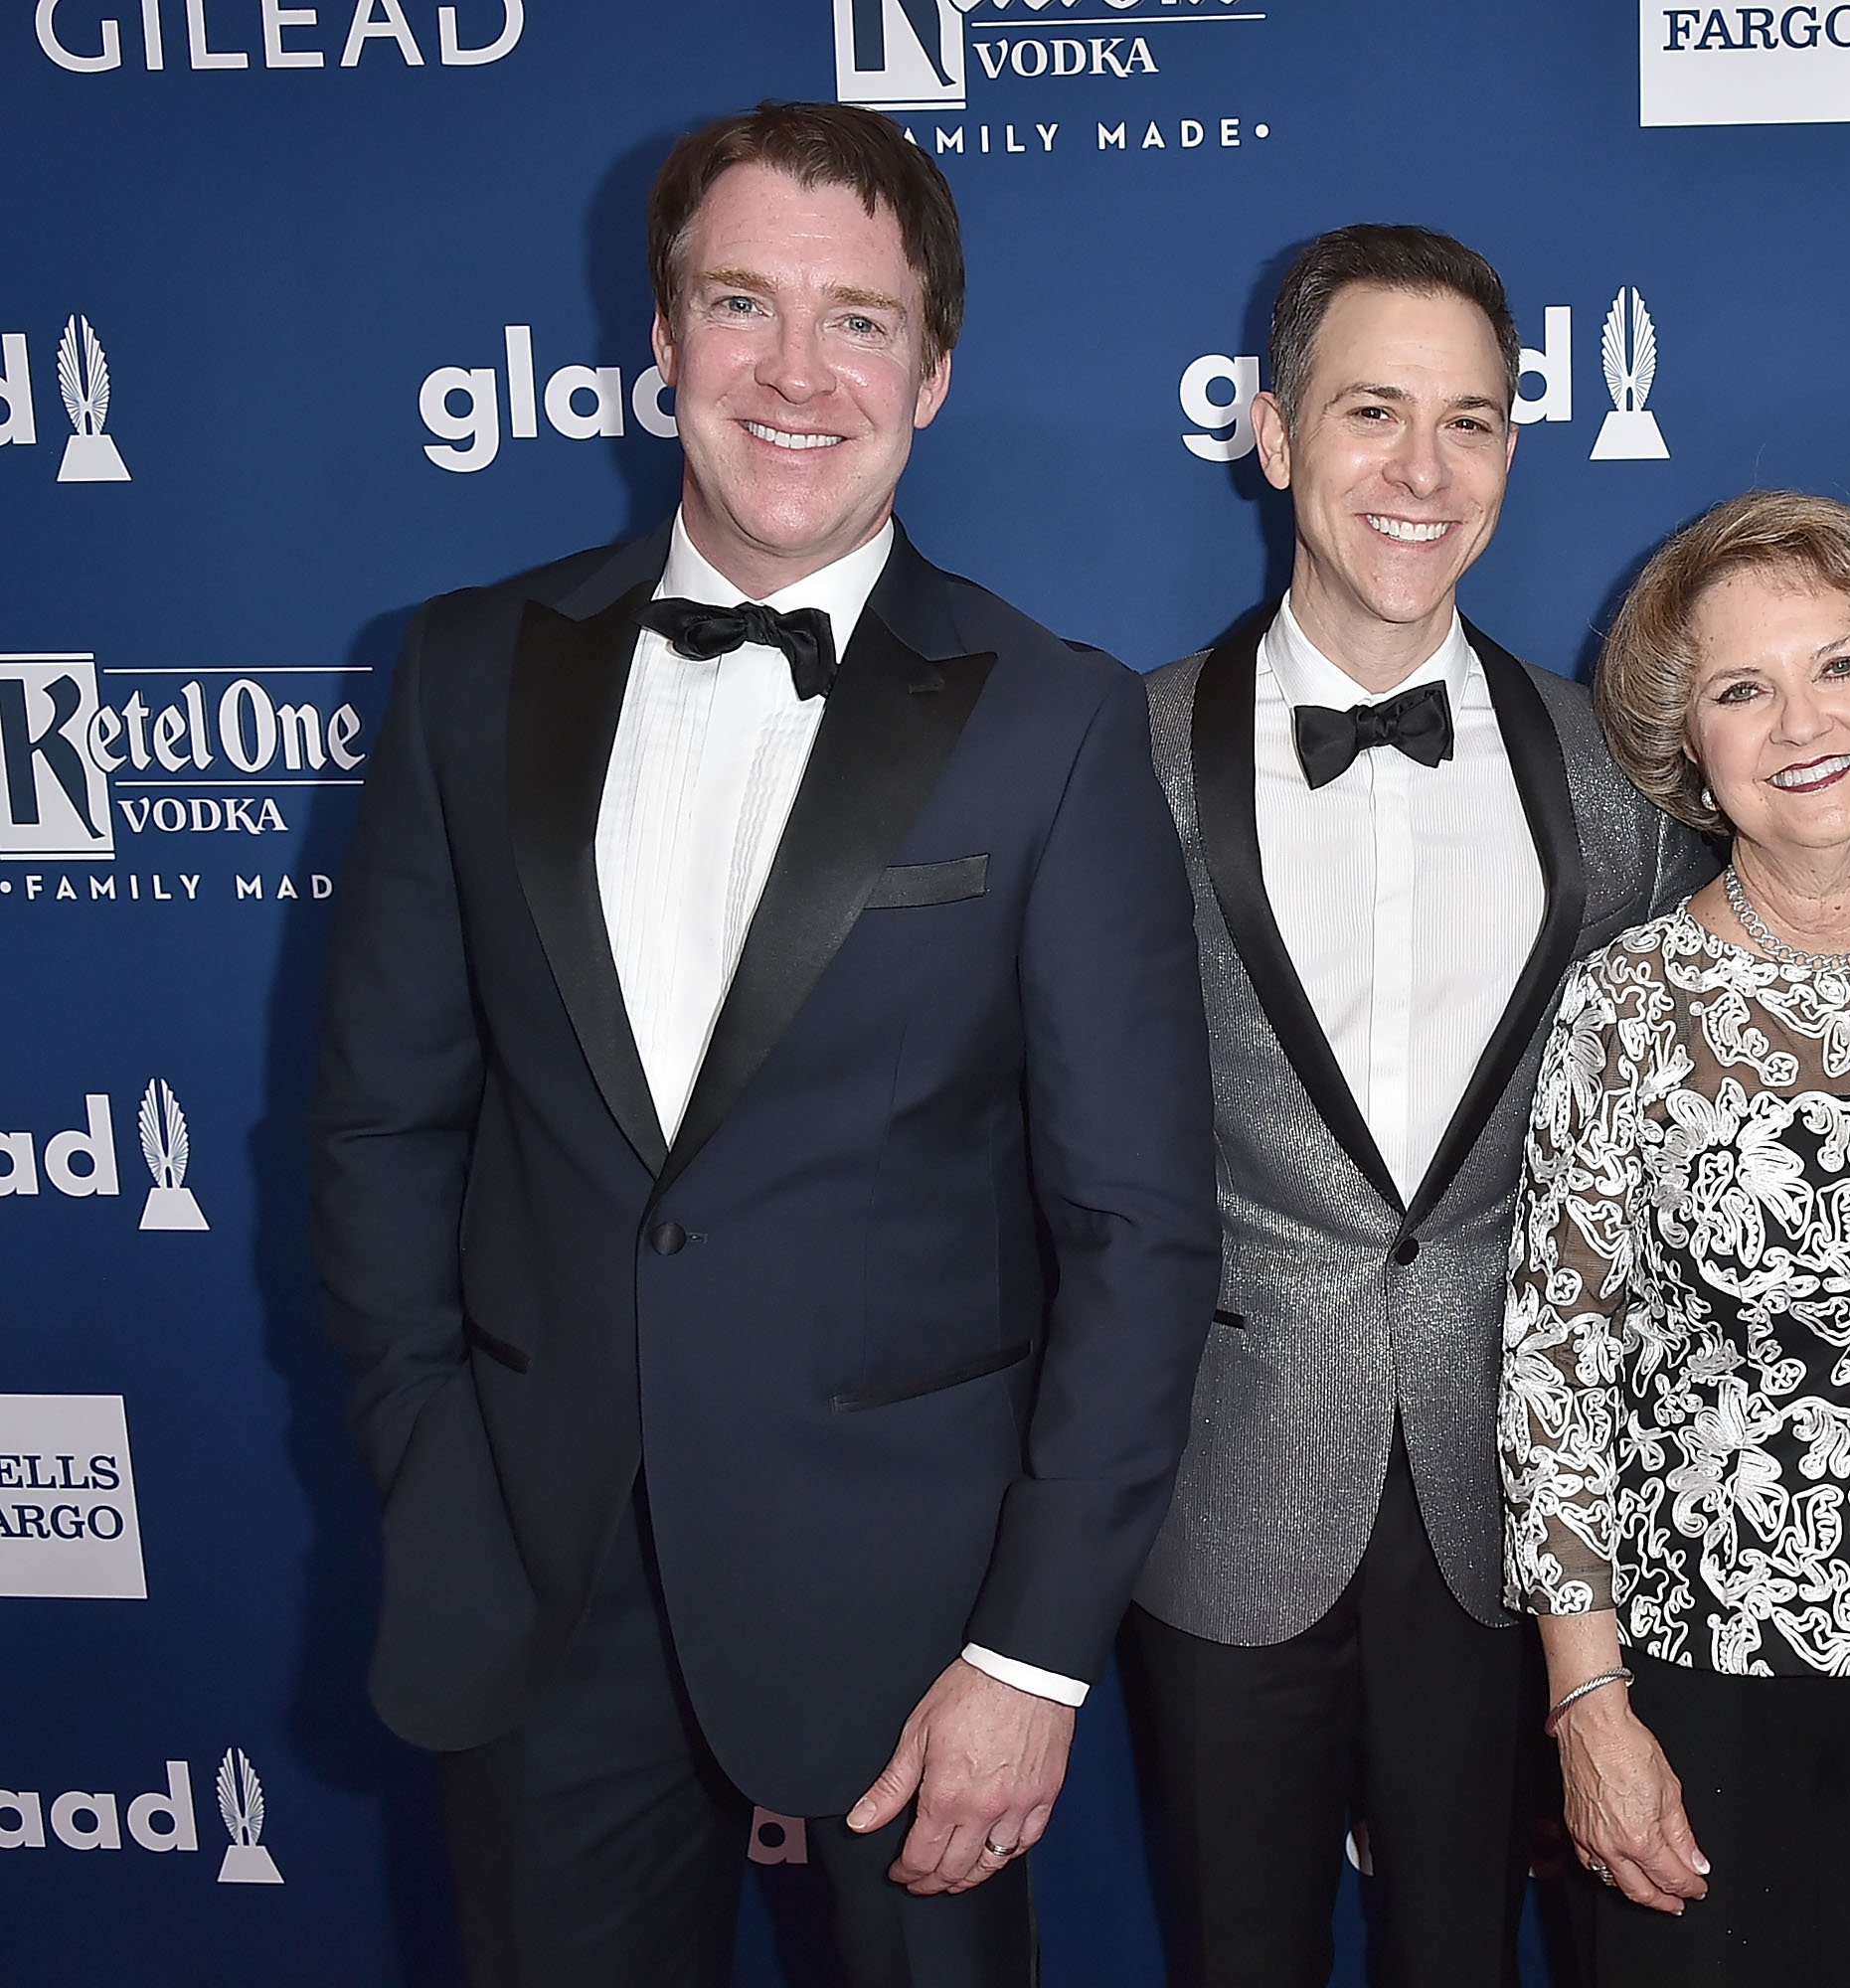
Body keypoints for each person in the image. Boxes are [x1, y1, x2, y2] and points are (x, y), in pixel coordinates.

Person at [307, 102, 1220, 1988]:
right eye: (742, 304)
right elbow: (384, 1129)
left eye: (860, 320)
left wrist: (1032, 1652)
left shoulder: (1050, 721)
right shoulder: (467, 669)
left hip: (919, 1619)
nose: (797, 373)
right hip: (541, 1586)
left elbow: (1142, 1235)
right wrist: (439, 1472)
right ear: (661, 343)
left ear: (935, 370)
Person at [1125, 224, 1711, 1987]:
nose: (1423, 471)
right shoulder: (1125, 755)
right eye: (1372, 411)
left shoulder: (1616, 772)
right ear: (1273, 430)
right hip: (1219, 1487)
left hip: (1510, 1507)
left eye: (1472, 421)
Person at [1501, 489, 1850, 1986]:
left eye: (1839, 666)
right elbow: (1556, 1374)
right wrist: (1590, 1705)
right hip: (1694, 1682)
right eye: (1739, 689)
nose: (1799, 722)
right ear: (1687, 745)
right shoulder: (1628, 1002)